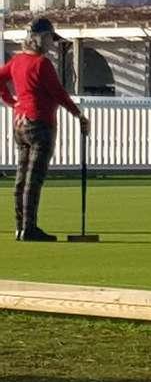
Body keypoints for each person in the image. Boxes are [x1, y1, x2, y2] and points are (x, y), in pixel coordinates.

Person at [0, 17, 90, 242]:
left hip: (20, 123)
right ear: (38, 38)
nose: (51, 43)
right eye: (49, 37)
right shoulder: (41, 64)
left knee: (22, 177)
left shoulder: (17, 61)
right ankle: (29, 228)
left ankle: (20, 226)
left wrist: (12, 102)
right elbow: (59, 93)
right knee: (34, 178)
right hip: (41, 124)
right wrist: (78, 114)